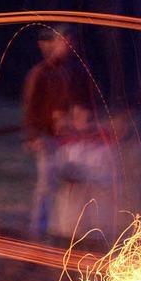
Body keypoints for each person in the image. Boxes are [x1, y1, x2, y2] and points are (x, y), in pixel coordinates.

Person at [22, 25, 93, 239]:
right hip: (47, 137)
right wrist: (34, 136)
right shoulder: (40, 73)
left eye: (70, 42)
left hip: (70, 140)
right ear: (54, 43)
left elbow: (82, 103)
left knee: (77, 181)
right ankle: (38, 232)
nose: (68, 46)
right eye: (63, 41)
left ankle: (69, 228)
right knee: (47, 184)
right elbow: (31, 108)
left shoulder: (76, 72)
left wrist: (78, 117)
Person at [49, 103, 115, 245]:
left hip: (94, 222)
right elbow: (56, 170)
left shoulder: (102, 148)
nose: (82, 122)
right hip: (67, 220)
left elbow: (108, 177)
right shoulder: (68, 146)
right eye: (77, 117)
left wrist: (84, 176)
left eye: (87, 118)